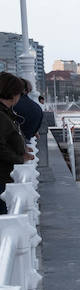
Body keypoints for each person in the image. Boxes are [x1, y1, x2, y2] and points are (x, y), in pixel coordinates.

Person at [0, 73, 33, 215]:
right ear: (13, 94)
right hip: (2, 179)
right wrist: (20, 158)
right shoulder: (2, 115)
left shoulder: (6, 113)